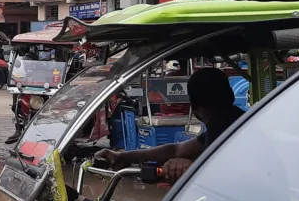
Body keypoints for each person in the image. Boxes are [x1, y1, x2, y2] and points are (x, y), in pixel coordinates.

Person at [95, 67, 244, 182]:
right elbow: (175, 150)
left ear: (193, 106)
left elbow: (230, 172)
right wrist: (121, 156)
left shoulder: (225, 127)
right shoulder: (235, 121)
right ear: (231, 95)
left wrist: (191, 167)